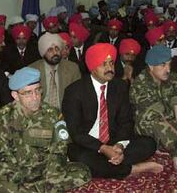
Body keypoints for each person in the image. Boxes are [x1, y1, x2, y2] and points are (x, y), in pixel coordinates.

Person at [0, 67, 91, 192]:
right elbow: (2, 155)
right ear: (15, 95)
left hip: (45, 170)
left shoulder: (53, 114)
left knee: (83, 172)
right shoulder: (3, 116)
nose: (35, 97)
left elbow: (60, 149)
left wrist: (52, 173)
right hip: (16, 170)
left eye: (38, 90)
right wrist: (12, 180)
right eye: (28, 93)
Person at [62, 43, 162, 179]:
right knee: (81, 158)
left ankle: (110, 165)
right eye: (104, 64)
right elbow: (76, 132)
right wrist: (103, 148)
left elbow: (126, 121)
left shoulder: (119, 86)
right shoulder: (74, 91)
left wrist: (119, 146)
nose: (110, 68)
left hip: (113, 141)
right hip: (88, 145)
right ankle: (132, 168)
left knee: (149, 143)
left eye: (111, 63)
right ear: (92, 68)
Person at [29, 33, 80, 109]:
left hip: (65, 112)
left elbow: (78, 96)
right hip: (40, 113)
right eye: (50, 50)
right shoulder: (32, 70)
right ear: (43, 53)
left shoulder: (72, 68)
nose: (55, 53)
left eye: (57, 49)